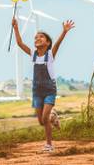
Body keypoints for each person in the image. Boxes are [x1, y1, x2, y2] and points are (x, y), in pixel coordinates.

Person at [12, 18, 75, 152]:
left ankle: (49, 144)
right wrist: (16, 27)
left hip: (49, 90)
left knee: (44, 118)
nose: (37, 38)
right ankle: (53, 117)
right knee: (41, 121)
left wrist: (64, 31)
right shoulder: (32, 55)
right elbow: (19, 43)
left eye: (41, 37)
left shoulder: (50, 55)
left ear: (47, 43)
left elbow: (58, 43)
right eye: (36, 37)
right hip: (36, 92)